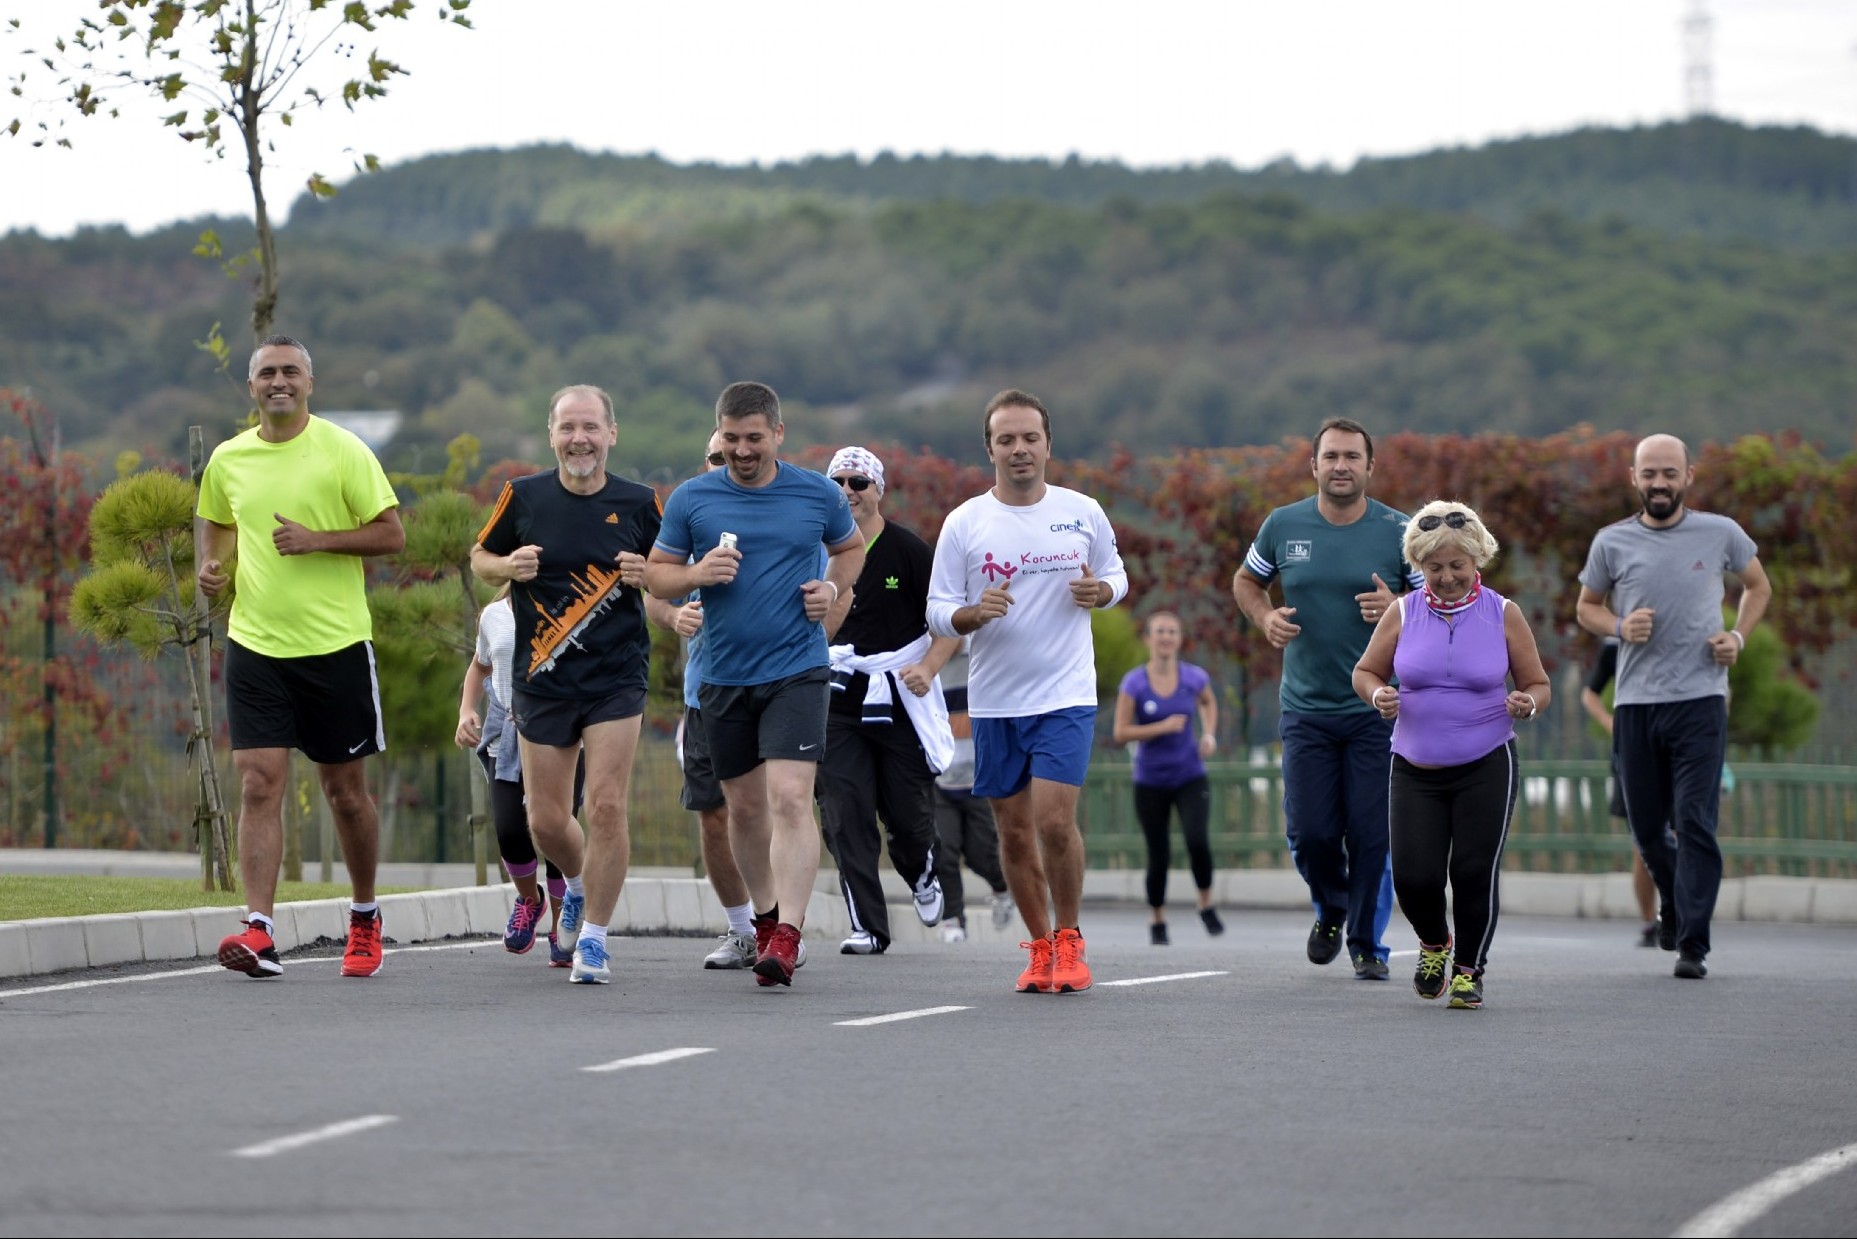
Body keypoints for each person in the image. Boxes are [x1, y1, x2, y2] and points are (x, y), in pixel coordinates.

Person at [197, 333, 405, 980]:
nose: (278, 381)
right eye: (266, 373)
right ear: (252, 386)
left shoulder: (342, 450)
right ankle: (258, 928)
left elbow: (391, 532)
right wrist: (213, 566)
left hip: (336, 646)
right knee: (258, 782)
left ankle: (365, 914)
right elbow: (218, 519)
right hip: (256, 643)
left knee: (345, 793)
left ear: (309, 383)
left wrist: (319, 540)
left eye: (290, 371)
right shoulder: (229, 459)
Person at [645, 381, 864, 987]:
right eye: (733, 439)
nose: (743, 450)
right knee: (742, 809)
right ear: (720, 433)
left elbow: (851, 549)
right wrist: (697, 571)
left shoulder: (817, 493)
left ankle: (788, 935)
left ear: (778, 434)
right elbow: (658, 581)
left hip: (797, 667)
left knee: (791, 798)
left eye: (755, 439)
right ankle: (764, 921)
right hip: (721, 674)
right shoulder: (692, 499)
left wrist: (833, 589)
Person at [926, 388, 1128, 994]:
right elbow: (936, 612)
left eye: (1029, 438)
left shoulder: (1082, 511)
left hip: (1065, 695)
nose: (1019, 449)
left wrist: (1104, 594)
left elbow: (1116, 574)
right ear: (989, 448)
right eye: (1006, 439)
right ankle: (1040, 948)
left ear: (1047, 445)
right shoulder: (966, 522)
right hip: (996, 702)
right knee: (1012, 831)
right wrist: (970, 614)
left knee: (1053, 822)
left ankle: (1070, 939)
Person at [470, 384, 669, 986]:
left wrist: (649, 574)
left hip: (615, 678)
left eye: (590, 427)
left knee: (605, 804)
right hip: (541, 679)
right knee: (545, 821)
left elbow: (670, 571)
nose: (579, 439)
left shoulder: (638, 503)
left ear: (612, 433)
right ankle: (576, 886)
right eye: (568, 428)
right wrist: (507, 567)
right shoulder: (524, 496)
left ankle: (596, 940)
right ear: (551, 434)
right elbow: (479, 556)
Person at [1575, 433, 1770, 980]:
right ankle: (1673, 900)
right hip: (1636, 704)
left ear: (1688, 477)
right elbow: (1586, 608)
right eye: (1649, 473)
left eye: (1669, 473)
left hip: (1701, 700)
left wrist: (1739, 637)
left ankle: (1693, 943)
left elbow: (1758, 586)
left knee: (1695, 821)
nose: (1659, 483)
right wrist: (1618, 626)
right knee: (1645, 828)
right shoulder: (1611, 542)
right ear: (1633, 479)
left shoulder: (1720, 533)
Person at [1231, 417, 1419, 980]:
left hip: (1377, 708)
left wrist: (1397, 607)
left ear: (1370, 466)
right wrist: (1265, 617)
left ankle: (1367, 944)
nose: (1341, 466)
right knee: (1311, 833)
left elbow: (1437, 603)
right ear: (1313, 465)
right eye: (1331, 456)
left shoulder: (1399, 531)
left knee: (1371, 833)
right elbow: (1247, 581)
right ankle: (1332, 906)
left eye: (1352, 457)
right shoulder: (1283, 525)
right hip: (1306, 709)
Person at [1352, 502, 1552, 1010]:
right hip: (1414, 766)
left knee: (1471, 871)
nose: (1446, 578)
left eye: (1456, 567)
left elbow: (1537, 683)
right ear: (1419, 566)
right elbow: (1365, 672)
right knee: (1414, 878)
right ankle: (1435, 944)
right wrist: (1379, 696)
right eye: (1434, 568)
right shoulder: (1402, 611)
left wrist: (1526, 704)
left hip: (1486, 762)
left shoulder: (1503, 613)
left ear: (1477, 560)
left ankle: (1469, 969)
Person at [818, 445, 961, 956]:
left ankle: (923, 870)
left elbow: (948, 623)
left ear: (879, 490)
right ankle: (868, 927)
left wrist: (926, 668)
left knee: (906, 816)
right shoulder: (817, 548)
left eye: (859, 483)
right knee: (843, 810)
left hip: (900, 693)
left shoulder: (909, 550)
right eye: (838, 483)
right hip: (836, 695)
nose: (848, 493)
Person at [678, 433, 763, 971]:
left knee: (769, 810)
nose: (725, 461)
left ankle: (781, 924)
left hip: (773, 688)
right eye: (713, 455)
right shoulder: (686, 525)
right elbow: (656, 595)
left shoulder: (776, 515)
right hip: (704, 692)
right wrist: (673, 615)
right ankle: (741, 929)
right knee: (714, 816)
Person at [455, 585, 571, 966]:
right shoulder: (494, 615)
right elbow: (480, 665)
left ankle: (562, 926)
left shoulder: (572, 604)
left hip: (562, 735)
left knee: (556, 833)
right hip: (506, 735)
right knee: (509, 830)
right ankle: (529, 899)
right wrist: (466, 710)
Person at [1112, 610, 1222, 946]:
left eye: (1172, 631)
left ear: (1179, 639)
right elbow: (1120, 733)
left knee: (1197, 841)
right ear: (1148, 638)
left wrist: (1209, 734)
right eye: (1159, 631)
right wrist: (1161, 727)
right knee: (1158, 853)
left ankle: (1204, 902)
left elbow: (1208, 703)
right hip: (1150, 780)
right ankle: (1157, 918)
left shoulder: (1193, 678)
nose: (1165, 637)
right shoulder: (1135, 683)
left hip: (1189, 774)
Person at [1580, 639, 1661, 947]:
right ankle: (1649, 921)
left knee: (1682, 837)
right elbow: (1589, 693)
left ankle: (1679, 914)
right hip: (1633, 754)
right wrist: (1608, 722)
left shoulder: (1683, 630)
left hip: (1676, 750)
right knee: (1644, 844)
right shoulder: (1616, 645)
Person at [932, 674, 1016, 944]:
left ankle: (1002, 889)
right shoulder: (926, 660)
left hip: (980, 777)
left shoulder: (979, 655)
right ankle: (953, 919)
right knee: (943, 850)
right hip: (941, 779)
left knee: (983, 855)